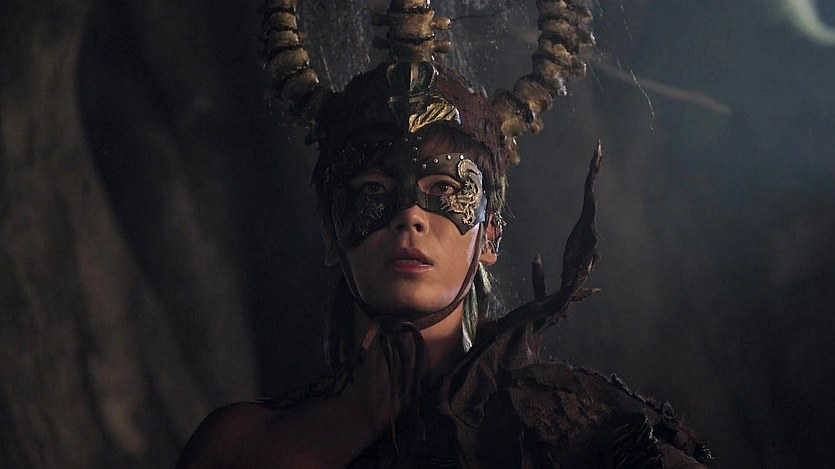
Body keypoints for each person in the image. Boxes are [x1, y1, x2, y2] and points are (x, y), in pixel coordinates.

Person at [176, 1, 712, 467]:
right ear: (330, 233)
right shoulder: (239, 447)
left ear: (490, 235)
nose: (409, 215)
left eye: (445, 188)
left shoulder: (573, 436)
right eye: (373, 189)